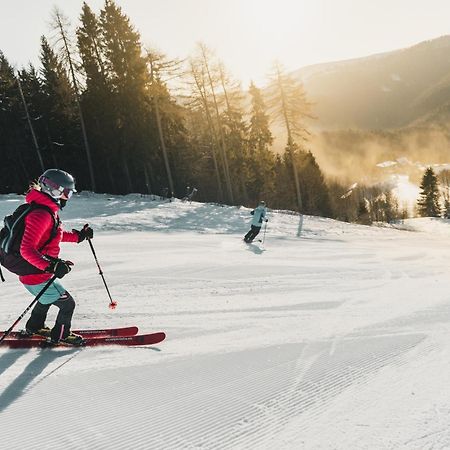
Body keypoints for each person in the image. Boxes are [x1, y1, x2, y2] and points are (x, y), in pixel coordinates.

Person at [19, 169, 93, 345]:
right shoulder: (41, 214)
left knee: (45, 299)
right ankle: (61, 335)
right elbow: (26, 249)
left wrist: (78, 237)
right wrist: (50, 266)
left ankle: (34, 327)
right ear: (54, 190)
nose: (67, 197)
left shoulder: (45, 210)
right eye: (66, 192)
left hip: (36, 273)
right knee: (68, 305)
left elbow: (53, 235)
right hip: (37, 274)